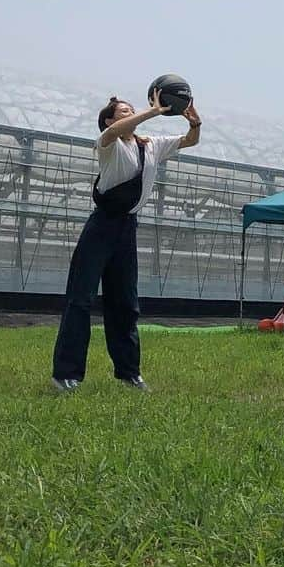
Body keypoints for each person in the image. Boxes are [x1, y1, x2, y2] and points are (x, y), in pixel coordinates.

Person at [52, 90, 202, 392]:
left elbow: (189, 142)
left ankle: (128, 373)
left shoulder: (150, 146)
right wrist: (153, 111)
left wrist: (195, 124)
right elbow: (115, 131)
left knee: (125, 302)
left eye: (131, 109)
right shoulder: (108, 144)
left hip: (126, 229)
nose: (129, 113)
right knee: (80, 298)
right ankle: (66, 374)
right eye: (123, 111)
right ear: (109, 120)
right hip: (101, 226)